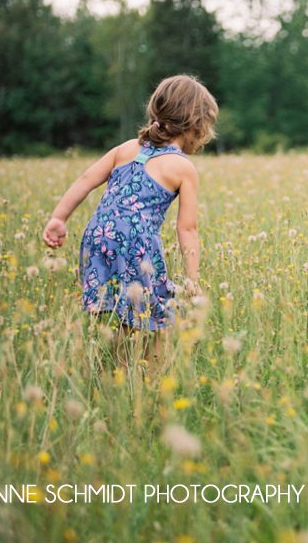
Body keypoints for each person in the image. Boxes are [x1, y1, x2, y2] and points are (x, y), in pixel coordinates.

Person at [42, 74, 218, 375]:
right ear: (195, 125)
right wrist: (192, 278)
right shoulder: (182, 168)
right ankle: (150, 382)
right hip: (136, 245)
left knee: (117, 316)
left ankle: (115, 373)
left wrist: (59, 218)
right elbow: (187, 229)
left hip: (98, 238)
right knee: (158, 319)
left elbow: (86, 181)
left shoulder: (125, 148)